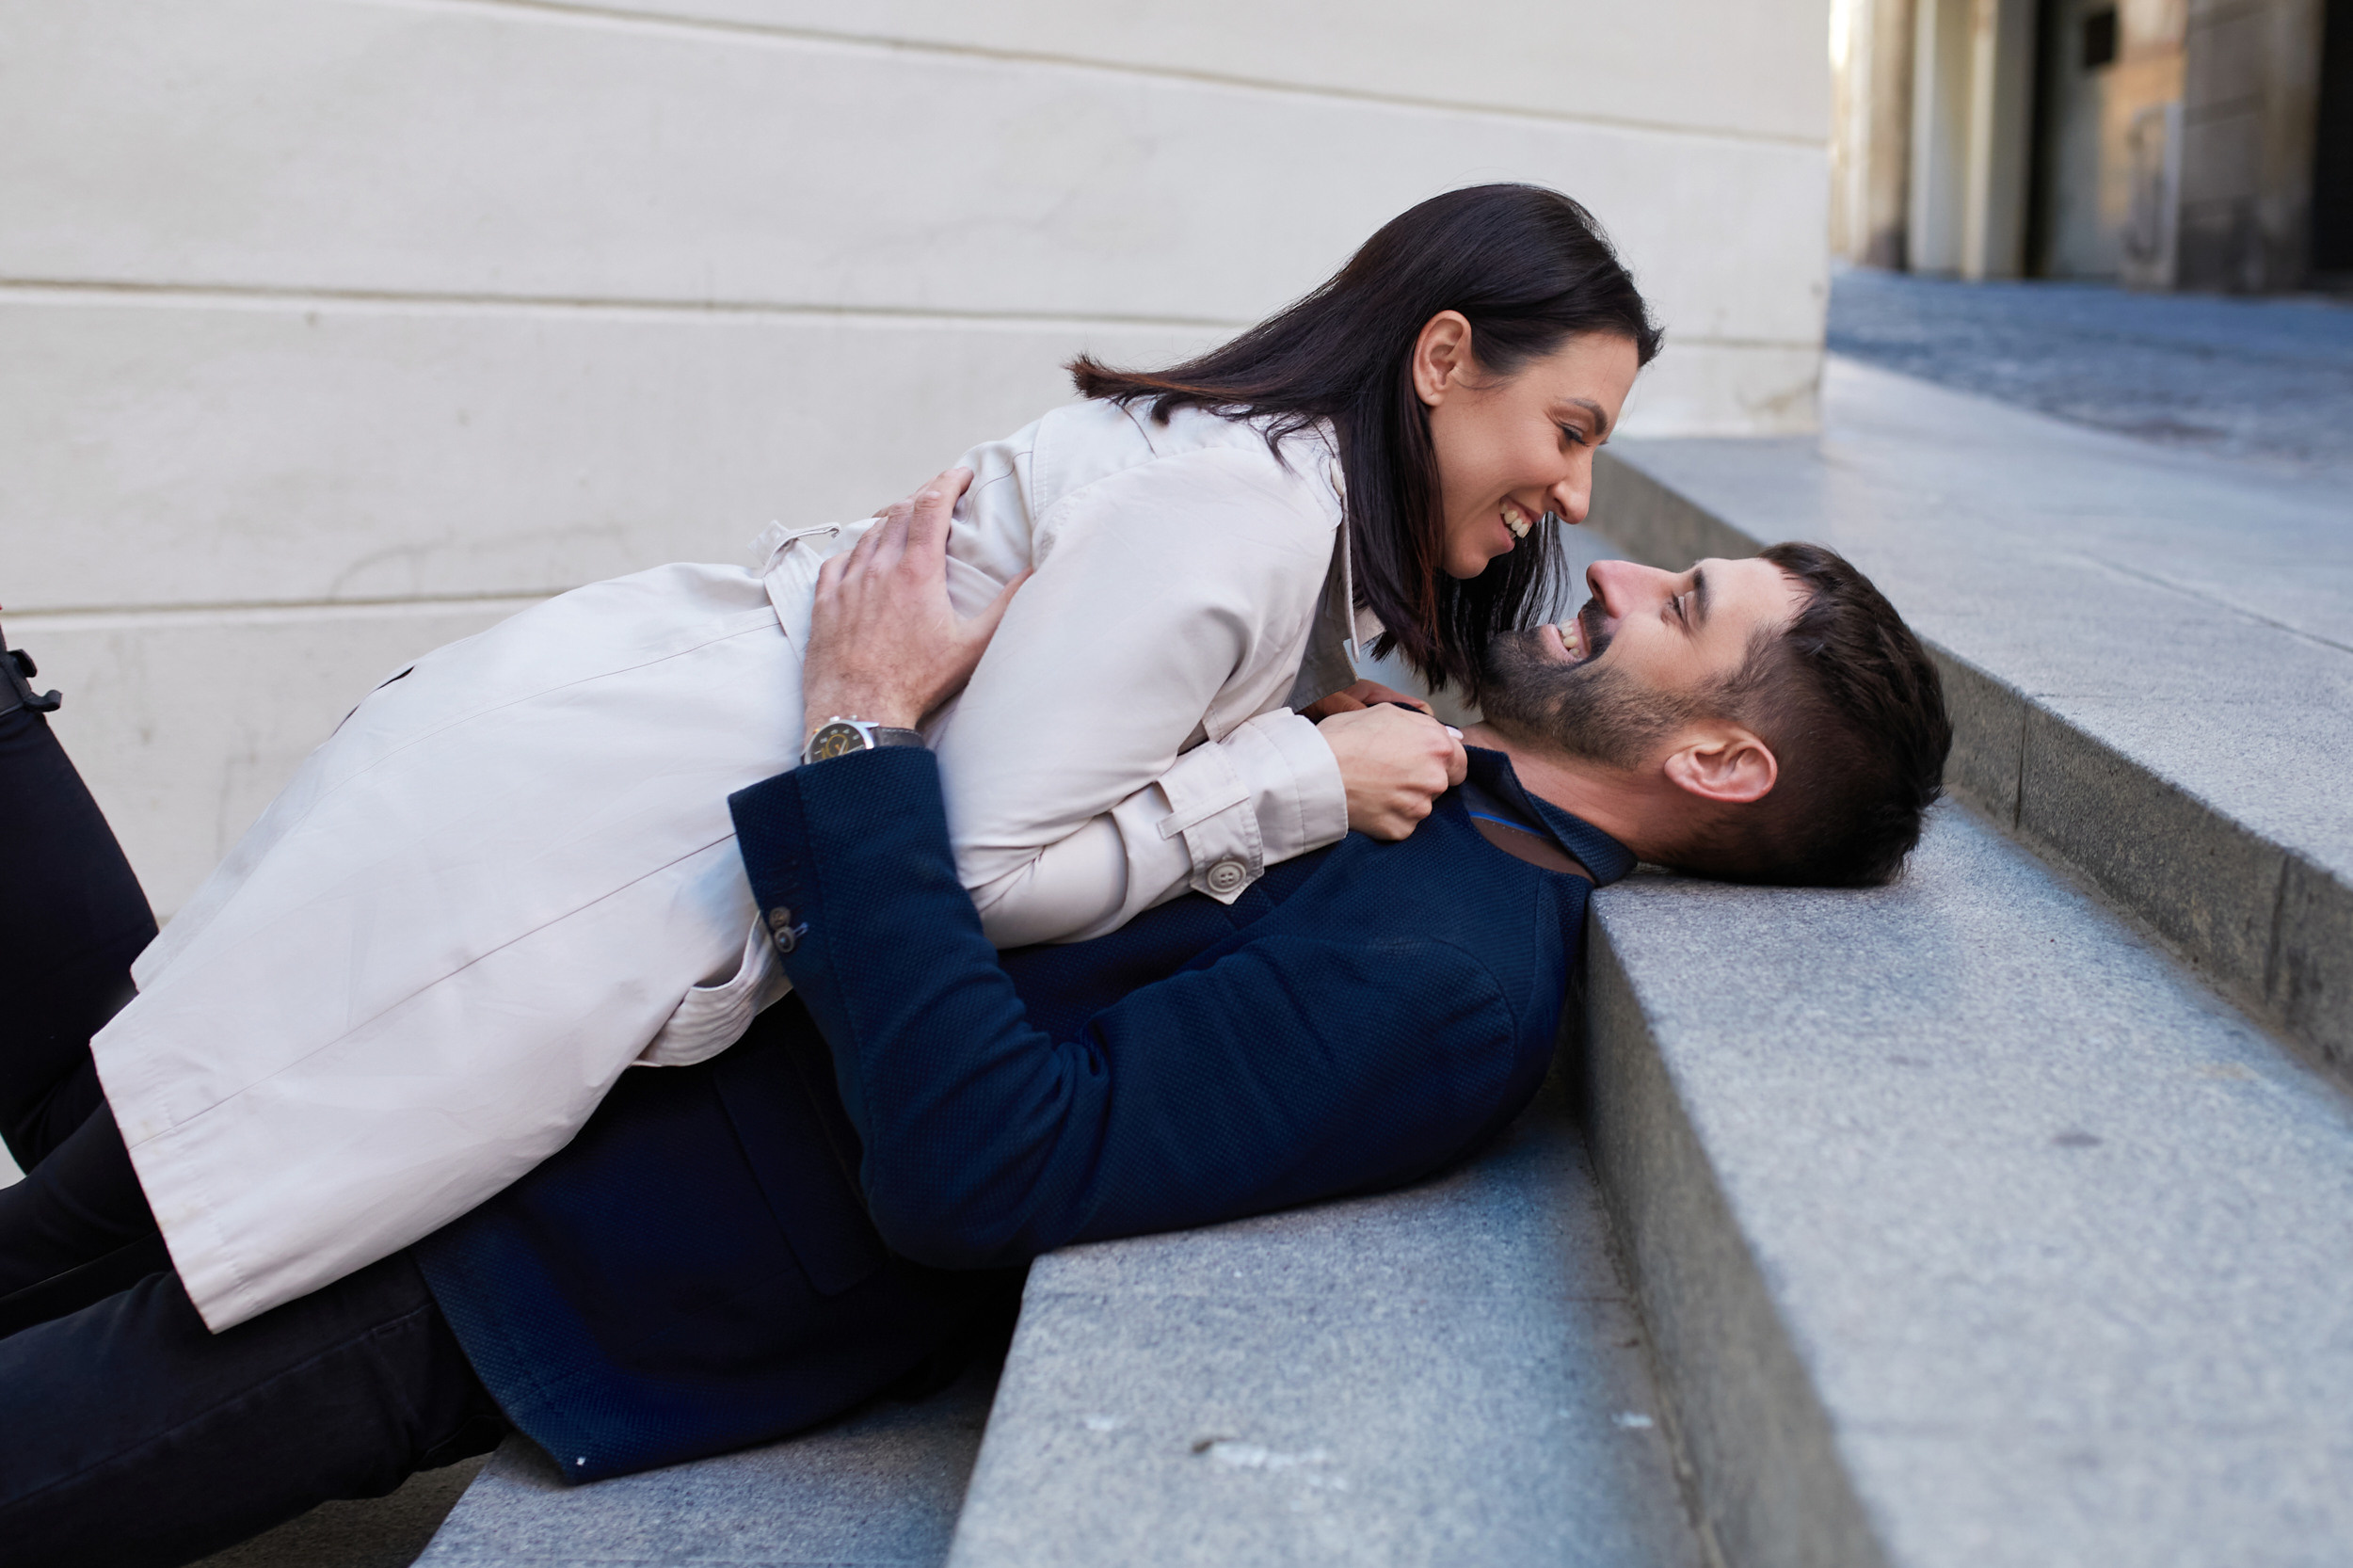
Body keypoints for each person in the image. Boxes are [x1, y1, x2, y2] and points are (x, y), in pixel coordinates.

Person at [0, 483, 1951, 1566]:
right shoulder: (1425, 790)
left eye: (1680, 600)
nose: (1618, 562)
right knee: (114, 1141)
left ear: (1718, 757)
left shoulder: (1454, 975)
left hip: (551, 1269)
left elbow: (988, 1157)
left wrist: (862, 736)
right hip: (524, 1087)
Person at [60, 184, 1663, 1334]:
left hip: (584, 808)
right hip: (561, 852)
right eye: (1572, 429)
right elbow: (967, 870)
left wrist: (1280, 738)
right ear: (1442, 357)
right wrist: (1285, 787)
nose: (1579, 498)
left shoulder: (1262, 496)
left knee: (139, 1210)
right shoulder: (1241, 513)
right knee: (114, 1221)